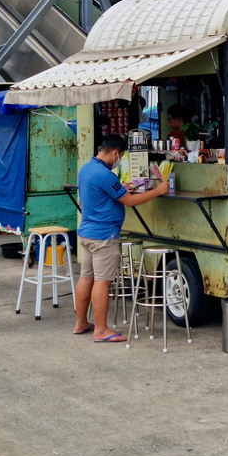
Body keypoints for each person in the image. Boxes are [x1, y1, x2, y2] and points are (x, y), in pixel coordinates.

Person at [74, 133, 169, 342]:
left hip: (86, 233)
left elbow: (105, 192)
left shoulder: (87, 168)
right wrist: (159, 190)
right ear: (116, 153)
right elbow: (130, 202)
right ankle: (100, 330)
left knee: (86, 277)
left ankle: (81, 322)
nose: (120, 159)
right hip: (103, 236)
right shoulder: (106, 175)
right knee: (102, 282)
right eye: (121, 156)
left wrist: (121, 188)